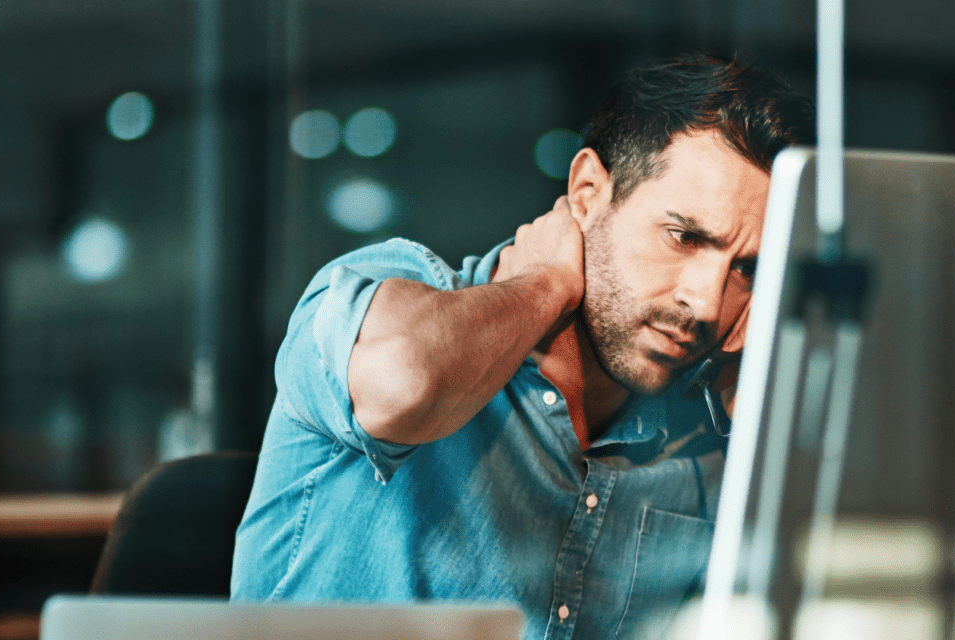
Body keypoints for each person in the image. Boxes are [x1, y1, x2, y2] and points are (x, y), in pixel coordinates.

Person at [232, 53, 813, 640]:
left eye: (746, 269)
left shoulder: (703, 439)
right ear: (587, 193)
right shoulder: (387, 298)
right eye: (684, 237)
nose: (708, 303)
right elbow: (400, 388)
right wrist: (547, 285)